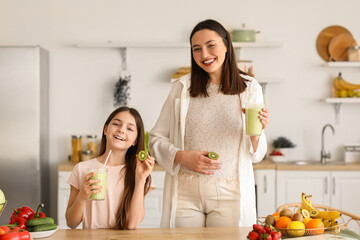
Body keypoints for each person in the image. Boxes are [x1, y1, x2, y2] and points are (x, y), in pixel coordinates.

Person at [149, 19, 269, 228]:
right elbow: (155, 139)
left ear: (226, 45)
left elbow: (256, 155)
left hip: (231, 193)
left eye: (211, 45)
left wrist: (258, 132)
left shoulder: (249, 87)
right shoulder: (181, 88)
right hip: (185, 192)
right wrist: (182, 156)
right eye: (197, 49)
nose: (204, 55)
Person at [66, 106, 155, 229]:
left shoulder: (138, 172)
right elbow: (71, 223)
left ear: (135, 140)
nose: (121, 130)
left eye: (130, 128)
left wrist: (140, 179)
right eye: (116, 124)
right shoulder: (81, 169)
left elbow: (132, 224)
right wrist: (82, 196)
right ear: (105, 129)